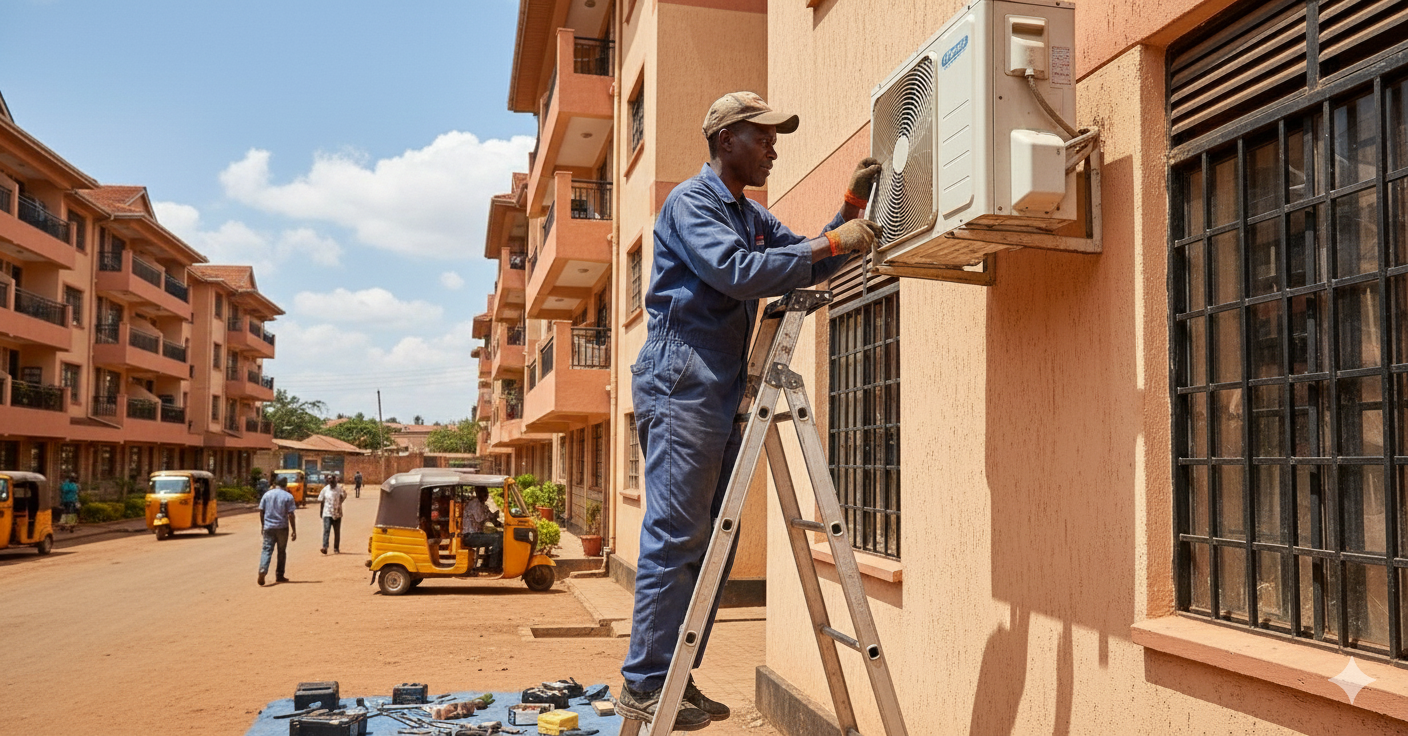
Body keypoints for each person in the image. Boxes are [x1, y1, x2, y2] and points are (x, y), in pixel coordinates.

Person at [617, 91, 882, 731]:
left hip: (720, 378)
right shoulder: (693, 202)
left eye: (773, 137)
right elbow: (738, 272)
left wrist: (850, 211)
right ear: (727, 138)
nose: (772, 148)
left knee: (710, 540)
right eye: (762, 137)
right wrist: (825, 246)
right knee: (678, 534)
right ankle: (647, 685)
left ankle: (676, 678)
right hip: (684, 373)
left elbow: (808, 258)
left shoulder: (750, 214)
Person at [257, 476, 297, 586]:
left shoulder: (267, 494)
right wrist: (294, 530)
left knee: (266, 549)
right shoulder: (288, 496)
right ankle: (279, 575)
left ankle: (263, 570)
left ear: (275, 483)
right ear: (285, 484)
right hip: (282, 528)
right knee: (281, 551)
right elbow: (291, 515)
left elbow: (261, 511)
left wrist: (263, 526)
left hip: (268, 527)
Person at [460, 487, 502, 571]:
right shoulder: (475, 504)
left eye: (487, 493)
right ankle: (492, 565)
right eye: (484, 493)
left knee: (502, 535)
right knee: (498, 539)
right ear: (479, 493)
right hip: (470, 536)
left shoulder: (482, 505)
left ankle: (489, 561)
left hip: (477, 534)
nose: (486, 496)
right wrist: (492, 518)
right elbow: (481, 519)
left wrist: (498, 521)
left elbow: (490, 517)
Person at [318, 474, 346, 554]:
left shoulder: (340, 489)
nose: (331, 484)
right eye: (330, 482)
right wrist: (321, 511)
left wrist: (339, 504)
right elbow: (322, 500)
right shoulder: (325, 489)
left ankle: (336, 548)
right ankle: (325, 547)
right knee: (326, 530)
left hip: (337, 513)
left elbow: (344, 496)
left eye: (333, 482)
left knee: (336, 532)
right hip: (327, 513)